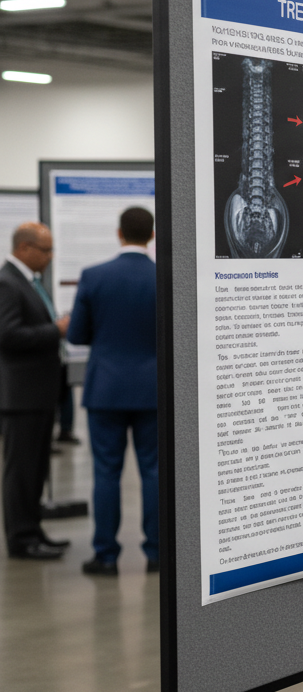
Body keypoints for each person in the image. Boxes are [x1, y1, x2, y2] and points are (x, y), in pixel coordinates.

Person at [66, 208, 159, 575]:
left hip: (105, 389)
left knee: (106, 473)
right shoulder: (162, 276)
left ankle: (105, 555)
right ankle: (156, 554)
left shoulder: (94, 276)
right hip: (152, 391)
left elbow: (75, 335)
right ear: (151, 235)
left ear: (119, 233)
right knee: (153, 472)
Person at [0, 223, 71, 560]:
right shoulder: (7, 282)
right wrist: (54, 330)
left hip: (38, 393)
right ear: (25, 248)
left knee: (36, 468)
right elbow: (8, 335)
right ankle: (22, 539)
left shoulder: (27, 282)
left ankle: (33, 529)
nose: (50, 256)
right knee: (22, 470)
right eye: (45, 250)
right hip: (22, 395)